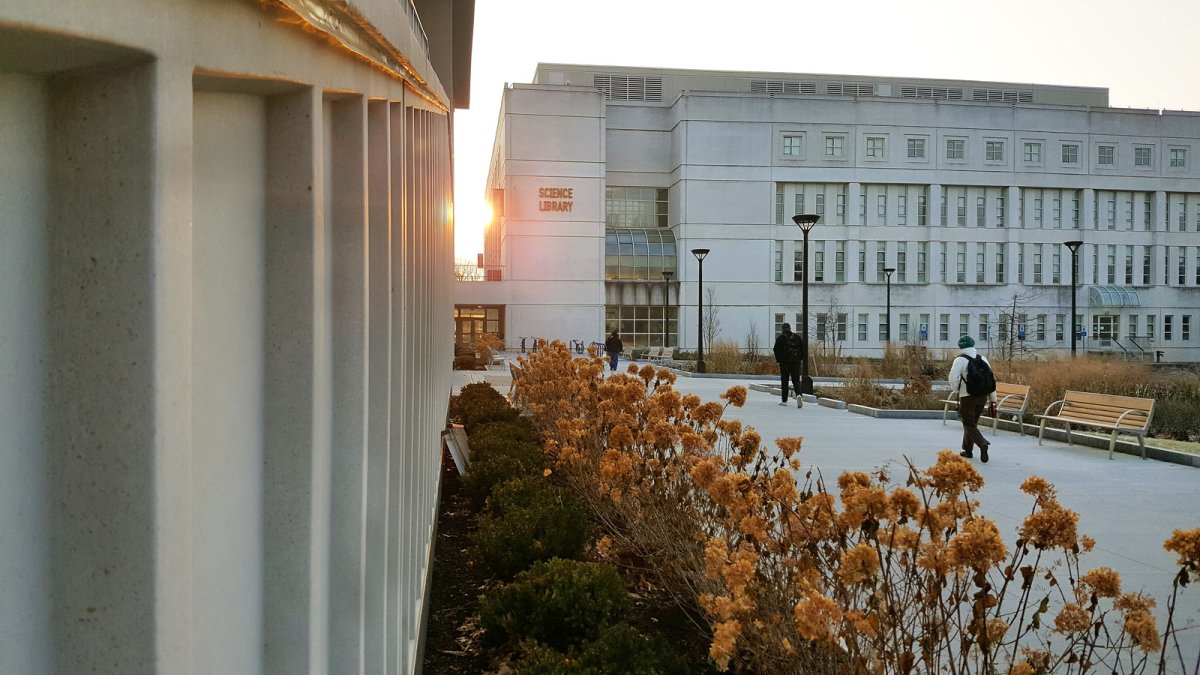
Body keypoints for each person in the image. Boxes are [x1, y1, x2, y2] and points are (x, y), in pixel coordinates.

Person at [947, 335, 998, 462]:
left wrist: (957, 390)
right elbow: (990, 380)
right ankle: (968, 451)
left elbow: (952, 378)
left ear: (960, 346)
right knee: (972, 424)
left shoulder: (960, 360)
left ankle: (982, 444)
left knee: (968, 424)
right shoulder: (983, 359)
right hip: (982, 397)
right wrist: (993, 400)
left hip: (967, 396)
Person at [772, 323, 803, 408]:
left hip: (784, 363)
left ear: (783, 329)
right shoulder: (797, 337)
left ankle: (784, 400)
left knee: (785, 381)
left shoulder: (781, 338)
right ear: (790, 328)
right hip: (796, 363)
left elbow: (775, 349)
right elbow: (803, 349)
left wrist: (779, 360)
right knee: (796, 381)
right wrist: (799, 359)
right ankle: (799, 395)